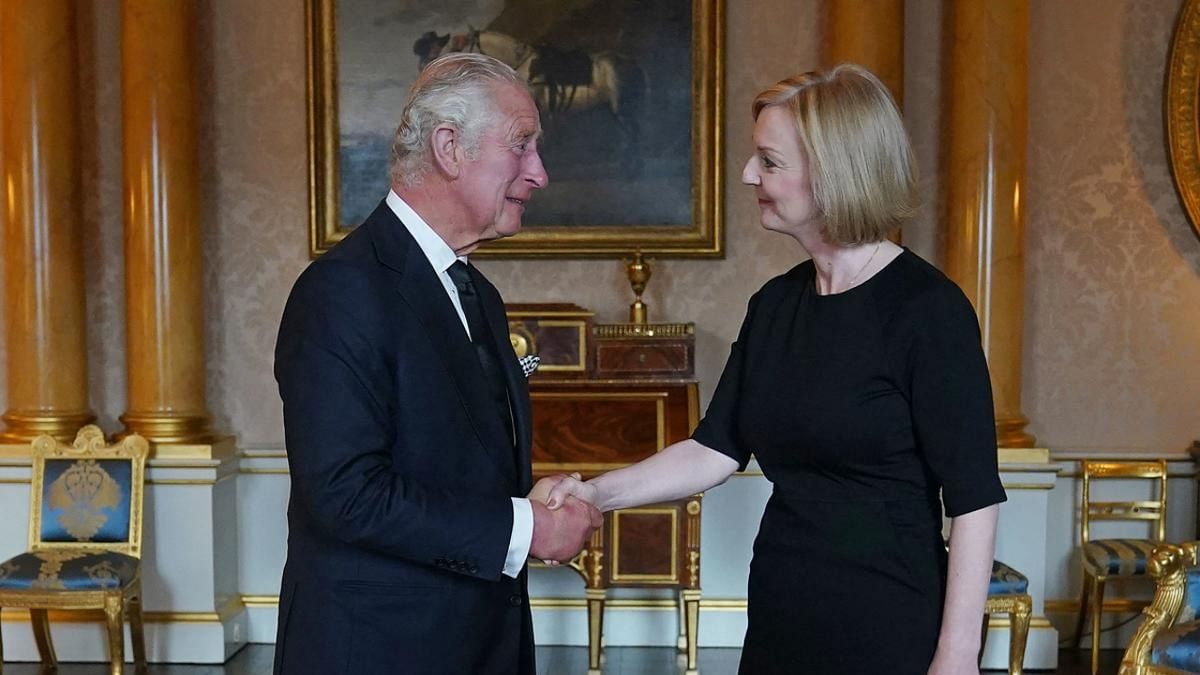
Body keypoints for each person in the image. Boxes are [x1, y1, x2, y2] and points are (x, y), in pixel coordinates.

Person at [539, 64, 1006, 675]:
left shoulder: (927, 311)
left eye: (770, 161)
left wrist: (957, 654)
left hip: (889, 617)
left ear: (835, 171)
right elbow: (714, 448)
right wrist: (595, 491)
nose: (747, 175)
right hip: (785, 606)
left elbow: (973, 499)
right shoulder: (776, 304)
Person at [273, 53, 602, 675]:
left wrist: (525, 506)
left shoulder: (476, 290)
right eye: (522, 145)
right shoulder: (341, 291)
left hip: (479, 644)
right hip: (377, 652)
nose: (540, 174)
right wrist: (522, 529)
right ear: (449, 148)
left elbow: (459, 465)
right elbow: (344, 494)